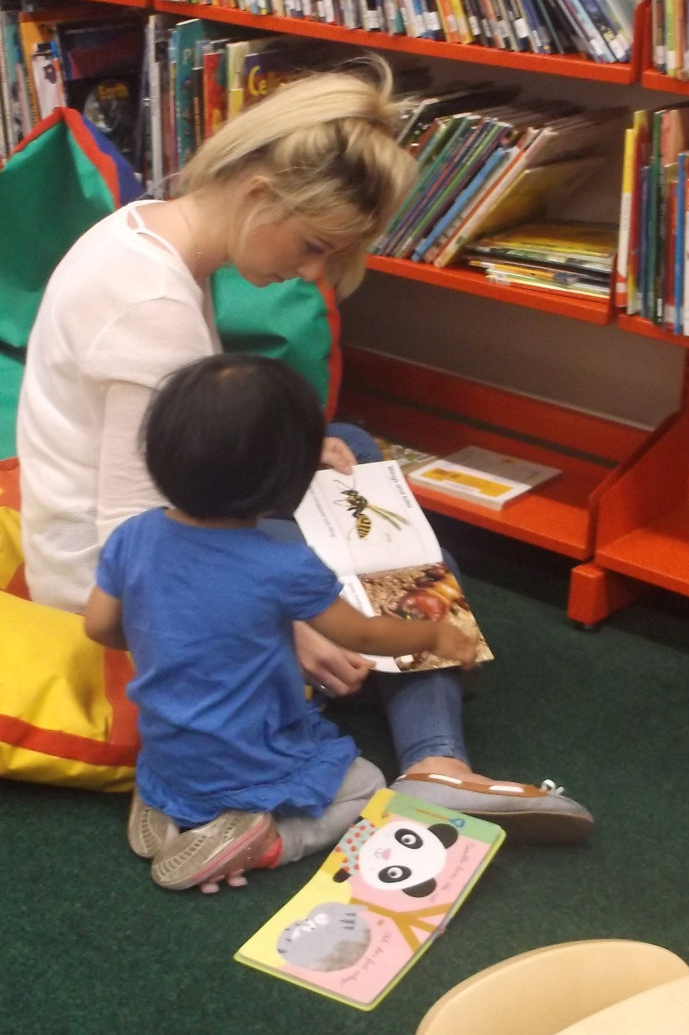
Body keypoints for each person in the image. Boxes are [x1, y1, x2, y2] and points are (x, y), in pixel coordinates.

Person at [16, 61, 593, 842]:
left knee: (349, 450)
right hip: (106, 578)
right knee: (367, 530)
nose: (312, 273)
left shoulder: (147, 232)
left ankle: (427, 743)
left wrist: (292, 458)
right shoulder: (152, 307)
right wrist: (288, 625)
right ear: (258, 194)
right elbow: (143, 534)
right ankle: (434, 758)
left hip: (117, 533)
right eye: (315, 245)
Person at [84, 354, 480, 893]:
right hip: (253, 760)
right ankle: (270, 843)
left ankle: (161, 800)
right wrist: (433, 633)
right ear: (285, 478)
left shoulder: (132, 536)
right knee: (364, 785)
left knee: (190, 752)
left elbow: (99, 626)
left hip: (166, 750)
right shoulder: (284, 565)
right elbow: (366, 635)